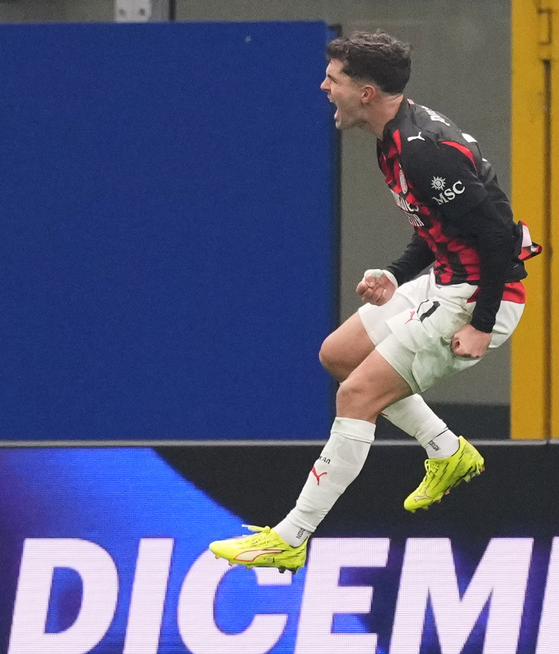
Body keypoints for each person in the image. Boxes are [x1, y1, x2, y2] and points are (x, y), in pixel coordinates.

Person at [209, 31, 539, 573]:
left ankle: (291, 536)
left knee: (356, 395)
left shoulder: (422, 150)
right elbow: (436, 224)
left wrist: (481, 324)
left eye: (333, 79)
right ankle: (446, 450)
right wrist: (395, 272)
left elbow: (500, 235)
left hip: (479, 295)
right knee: (339, 355)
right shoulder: (397, 137)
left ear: (364, 92)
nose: (324, 86)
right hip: (448, 278)